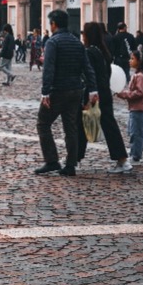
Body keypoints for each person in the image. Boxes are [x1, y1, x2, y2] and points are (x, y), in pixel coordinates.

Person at [35, 9, 98, 177]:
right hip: (76, 90)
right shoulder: (77, 42)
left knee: (43, 123)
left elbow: (49, 69)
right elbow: (88, 68)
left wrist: (45, 92)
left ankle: (52, 160)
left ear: (54, 24)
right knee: (71, 128)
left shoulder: (53, 42)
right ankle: (70, 165)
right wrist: (93, 89)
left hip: (58, 90)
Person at [77, 22, 130, 172]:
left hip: (95, 93)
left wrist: (89, 95)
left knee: (84, 125)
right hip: (105, 92)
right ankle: (76, 157)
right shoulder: (103, 51)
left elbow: (90, 75)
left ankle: (122, 160)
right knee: (107, 125)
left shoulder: (89, 52)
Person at [115, 47, 143, 164]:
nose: (130, 61)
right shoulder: (138, 75)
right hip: (135, 107)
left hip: (140, 108)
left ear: (140, 61)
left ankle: (136, 156)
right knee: (133, 131)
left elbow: (139, 92)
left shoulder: (140, 76)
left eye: (132, 59)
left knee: (136, 133)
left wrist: (124, 94)